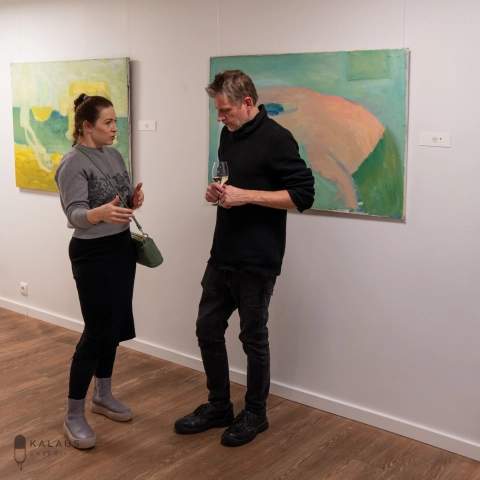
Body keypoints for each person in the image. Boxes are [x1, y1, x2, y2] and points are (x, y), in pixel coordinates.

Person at [174, 70, 315, 447]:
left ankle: (256, 413)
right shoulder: (228, 134)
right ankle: (219, 406)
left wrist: (246, 196)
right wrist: (217, 193)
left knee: (253, 338)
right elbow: (231, 184)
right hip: (222, 251)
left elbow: (303, 195)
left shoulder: (278, 139)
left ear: (248, 103)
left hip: (258, 258)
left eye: (225, 110)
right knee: (207, 330)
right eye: (217, 111)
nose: (220, 118)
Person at [55, 94, 144, 449]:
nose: (114, 128)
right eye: (108, 122)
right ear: (87, 126)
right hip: (92, 254)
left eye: (115, 121)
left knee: (113, 327)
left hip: (121, 247)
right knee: (95, 332)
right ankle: (73, 414)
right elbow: (74, 214)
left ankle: (103, 395)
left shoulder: (114, 155)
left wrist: (132, 201)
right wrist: (99, 214)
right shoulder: (72, 162)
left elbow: (118, 200)